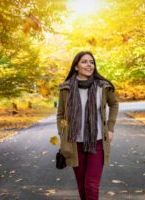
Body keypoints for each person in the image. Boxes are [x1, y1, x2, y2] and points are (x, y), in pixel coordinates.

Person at [56, 51, 119, 200]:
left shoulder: (102, 87)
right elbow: (61, 115)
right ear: (76, 66)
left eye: (91, 62)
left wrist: (110, 128)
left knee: (91, 185)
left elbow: (114, 104)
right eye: (84, 62)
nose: (89, 65)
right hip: (74, 144)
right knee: (82, 186)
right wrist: (63, 131)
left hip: (96, 142)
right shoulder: (66, 88)